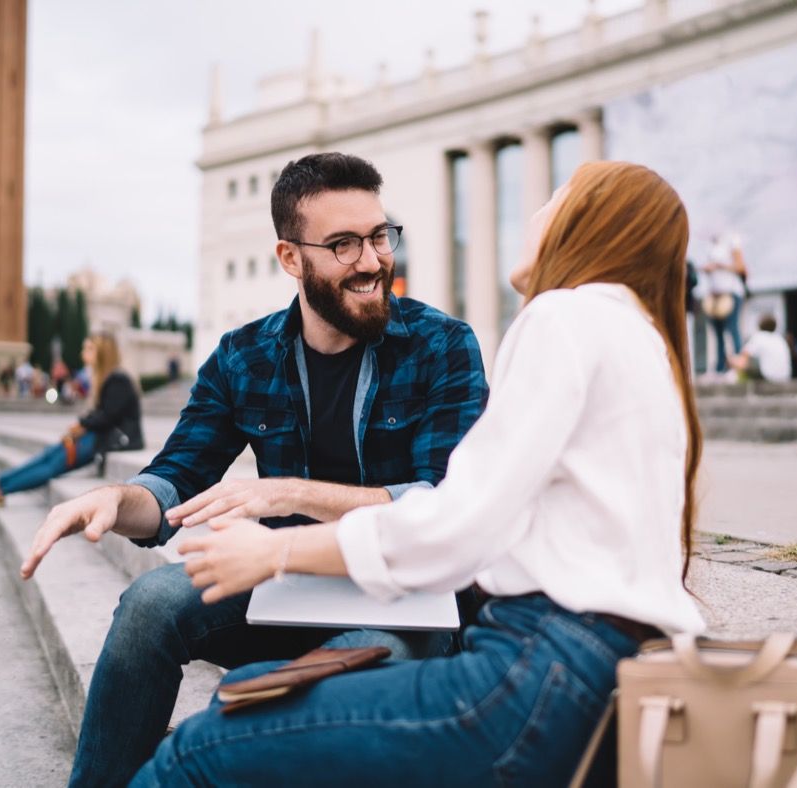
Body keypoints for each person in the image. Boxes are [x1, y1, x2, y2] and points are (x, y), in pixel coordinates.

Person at [129, 161, 707, 786]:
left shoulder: (560, 318)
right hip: (608, 666)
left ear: (584, 222)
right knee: (229, 683)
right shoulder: (640, 336)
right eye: (345, 242)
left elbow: (457, 521)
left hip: (540, 665)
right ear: (290, 259)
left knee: (198, 750)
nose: (534, 215)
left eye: (553, 201)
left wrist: (277, 549)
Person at [19, 152, 488, 787]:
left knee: (322, 678)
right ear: (291, 258)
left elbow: (443, 502)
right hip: (284, 589)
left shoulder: (443, 346)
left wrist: (291, 493)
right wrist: (113, 499)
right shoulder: (243, 356)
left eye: (379, 236)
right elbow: (173, 480)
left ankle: (222, 743)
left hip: (401, 599)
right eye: (344, 244)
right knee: (148, 605)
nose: (374, 261)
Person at [0, 334, 144, 504]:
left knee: (52, 465)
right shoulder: (107, 379)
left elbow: (108, 416)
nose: (83, 353)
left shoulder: (118, 379)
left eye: (88, 349)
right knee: (49, 455)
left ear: (103, 353)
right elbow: (103, 413)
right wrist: (81, 424)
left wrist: (81, 424)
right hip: (100, 436)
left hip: (116, 440)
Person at [699, 232, 747, 373]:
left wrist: (719, 266)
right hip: (715, 295)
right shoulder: (710, 244)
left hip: (731, 293)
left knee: (732, 329)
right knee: (718, 333)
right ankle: (721, 367)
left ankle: (738, 366)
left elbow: (740, 267)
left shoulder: (732, 240)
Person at [730, 314, 792, 382]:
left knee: (742, 362)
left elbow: (743, 358)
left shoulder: (759, 337)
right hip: (785, 377)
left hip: (769, 377)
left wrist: (729, 360)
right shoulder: (780, 338)